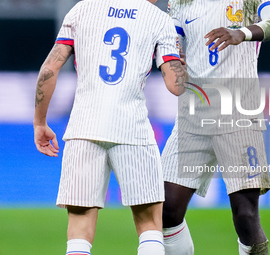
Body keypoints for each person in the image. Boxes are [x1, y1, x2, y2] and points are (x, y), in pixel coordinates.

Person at [33, 0, 187, 254]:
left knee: (79, 232)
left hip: (84, 127)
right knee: (150, 224)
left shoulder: (82, 9)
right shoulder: (159, 19)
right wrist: (184, 64)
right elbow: (176, 86)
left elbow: (49, 68)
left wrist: (40, 122)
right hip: (133, 128)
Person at [162, 0, 270, 254]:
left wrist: (240, 33)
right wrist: (175, 62)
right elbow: (171, 42)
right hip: (193, 114)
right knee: (166, 211)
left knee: (245, 214)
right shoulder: (179, 2)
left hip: (239, 113)